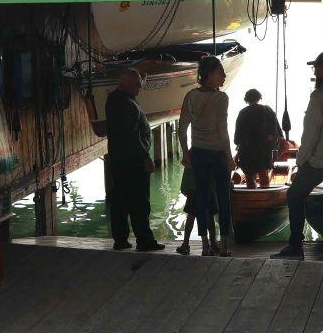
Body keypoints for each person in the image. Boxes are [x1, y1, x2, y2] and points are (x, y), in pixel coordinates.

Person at [272, 52, 323, 261]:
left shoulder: (319, 96)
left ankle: (295, 246)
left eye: (316, 68)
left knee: (294, 195)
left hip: (318, 161)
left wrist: (300, 161)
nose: (315, 72)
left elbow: (310, 133)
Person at [178, 56, 235, 257]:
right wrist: (229, 157)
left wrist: (186, 153)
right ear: (209, 74)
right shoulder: (221, 98)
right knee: (223, 199)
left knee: (201, 199)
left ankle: (205, 246)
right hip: (218, 155)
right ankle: (224, 247)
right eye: (220, 72)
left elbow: (182, 128)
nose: (224, 75)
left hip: (198, 154)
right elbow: (222, 130)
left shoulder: (190, 96)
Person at [104, 68, 164, 252]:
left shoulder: (117, 99)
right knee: (139, 202)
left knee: (120, 200)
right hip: (133, 160)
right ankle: (144, 240)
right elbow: (131, 135)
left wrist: (141, 79)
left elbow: (129, 133)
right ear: (125, 84)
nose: (140, 88)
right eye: (137, 85)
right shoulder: (125, 103)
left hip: (120, 159)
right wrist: (146, 156)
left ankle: (120, 239)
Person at [233, 88, 283, 189]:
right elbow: (277, 128)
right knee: (263, 174)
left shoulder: (243, 112)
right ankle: (265, 193)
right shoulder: (267, 110)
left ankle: (251, 193)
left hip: (247, 149)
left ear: (246, 99)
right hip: (263, 148)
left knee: (249, 176)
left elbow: (238, 134)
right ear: (259, 98)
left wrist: (237, 144)